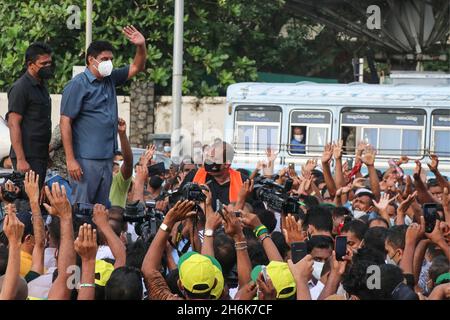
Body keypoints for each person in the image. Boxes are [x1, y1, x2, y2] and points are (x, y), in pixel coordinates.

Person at [60, 26, 147, 209]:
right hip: (85, 159)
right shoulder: (77, 85)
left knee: (101, 211)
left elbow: (137, 66)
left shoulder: (110, 79)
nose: (108, 63)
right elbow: (65, 121)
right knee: (83, 211)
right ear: (91, 60)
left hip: (107, 158)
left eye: (110, 59)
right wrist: (70, 159)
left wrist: (141, 46)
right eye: (104, 59)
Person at [6, 42, 54, 188]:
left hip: (40, 156)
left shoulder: (41, 87)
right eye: (43, 63)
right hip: (27, 157)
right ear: (30, 64)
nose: (48, 66)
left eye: (50, 63)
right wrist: (20, 159)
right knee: (26, 203)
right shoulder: (21, 88)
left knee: (36, 201)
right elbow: (13, 123)